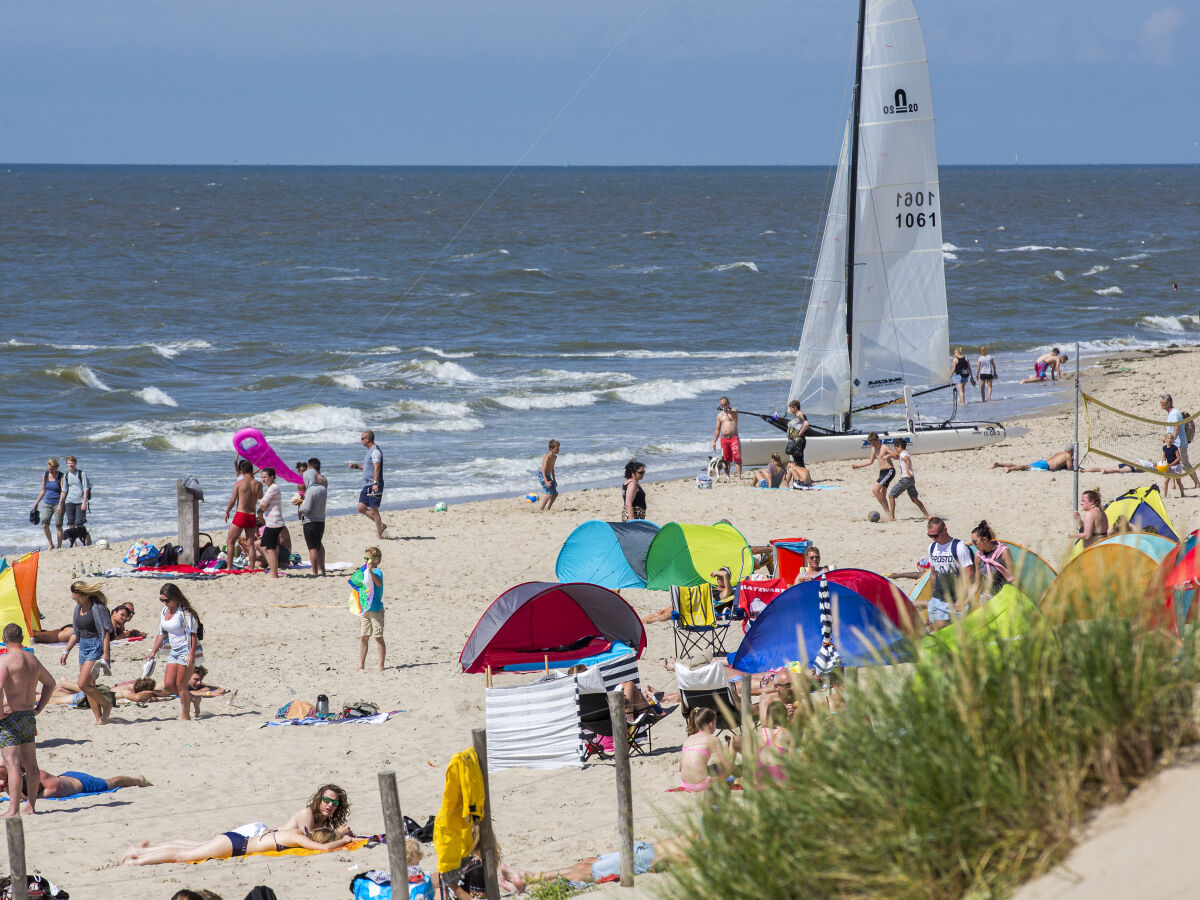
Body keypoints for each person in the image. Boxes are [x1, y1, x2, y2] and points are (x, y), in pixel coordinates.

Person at [0, 623, 55, 816]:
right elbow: (51, 683)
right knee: (31, 764)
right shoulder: (33, 660)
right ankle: (31, 806)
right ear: (22, 638)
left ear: (4, 639)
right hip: (28, 715)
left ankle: (13, 810)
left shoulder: (5, 660)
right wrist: (40, 707)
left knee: (12, 764)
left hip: (10, 716)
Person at [120, 825, 351, 865]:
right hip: (235, 846)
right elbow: (322, 848)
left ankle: (146, 848)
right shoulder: (298, 838)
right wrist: (344, 840)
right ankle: (138, 859)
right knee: (183, 856)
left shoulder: (295, 832)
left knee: (193, 847)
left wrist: (338, 833)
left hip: (235, 839)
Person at [145, 583, 203, 721]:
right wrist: (153, 651)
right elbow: (161, 633)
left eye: (167, 600)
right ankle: (193, 698)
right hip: (174, 650)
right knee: (169, 683)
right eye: (162, 600)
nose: (164, 603)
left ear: (176, 598)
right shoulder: (165, 612)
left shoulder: (185, 613)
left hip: (186, 649)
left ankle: (185, 715)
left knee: (181, 684)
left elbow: (193, 635)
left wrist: (191, 654)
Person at [58, 581, 113, 725]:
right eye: (73, 599)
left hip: (96, 645)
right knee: (90, 685)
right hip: (83, 646)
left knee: (82, 684)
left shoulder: (99, 608)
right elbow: (76, 632)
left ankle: (107, 705)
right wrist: (66, 651)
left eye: (77, 598)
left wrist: (105, 653)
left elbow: (106, 631)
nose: (75, 601)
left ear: (85, 595)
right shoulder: (78, 608)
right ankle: (98, 718)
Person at [921, 517, 976, 631]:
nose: (933, 539)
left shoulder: (959, 547)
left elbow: (969, 574)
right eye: (930, 536)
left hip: (956, 599)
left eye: (935, 535)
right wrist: (932, 596)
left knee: (957, 631)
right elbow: (933, 574)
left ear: (945, 530)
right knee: (935, 630)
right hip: (938, 598)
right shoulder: (932, 547)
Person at [676, 708, 732, 791]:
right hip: (701, 784)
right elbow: (727, 765)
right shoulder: (713, 739)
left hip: (684, 784)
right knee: (726, 769)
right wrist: (731, 748)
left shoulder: (688, 739)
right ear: (711, 724)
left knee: (714, 766)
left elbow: (680, 768)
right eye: (715, 722)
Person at [349, 429, 387, 538]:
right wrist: (355, 466)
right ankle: (381, 525)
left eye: (362, 438)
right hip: (367, 485)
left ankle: (379, 534)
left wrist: (375, 483)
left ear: (367, 439)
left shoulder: (375, 451)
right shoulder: (370, 451)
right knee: (361, 507)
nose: (360, 440)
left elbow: (376, 468)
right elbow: (367, 467)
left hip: (374, 484)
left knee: (374, 509)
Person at [224, 460, 261, 570]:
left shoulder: (239, 484)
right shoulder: (258, 484)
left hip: (241, 514)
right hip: (252, 515)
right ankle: (252, 567)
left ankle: (229, 568)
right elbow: (260, 497)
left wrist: (227, 511)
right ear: (251, 469)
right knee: (250, 544)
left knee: (230, 541)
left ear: (241, 470)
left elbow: (232, 501)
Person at [1161, 394, 1199, 497]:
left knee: (1184, 464)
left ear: (1168, 403)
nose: (1161, 405)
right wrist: (1167, 439)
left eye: (1162, 403)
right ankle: (1173, 485)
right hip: (1174, 442)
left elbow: (1176, 429)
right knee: (1171, 463)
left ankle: (1197, 483)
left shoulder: (1174, 414)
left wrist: (1171, 441)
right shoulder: (1171, 413)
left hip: (1179, 443)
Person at [851, 432, 897, 516]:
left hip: (889, 471)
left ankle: (887, 512)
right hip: (882, 472)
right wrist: (858, 466)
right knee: (882, 495)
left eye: (874, 443)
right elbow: (870, 461)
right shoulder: (873, 449)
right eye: (871, 443)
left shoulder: (885, 448)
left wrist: (888, 455)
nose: (874, 445)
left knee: (875, 490)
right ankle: (889, 514)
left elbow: (896, 456)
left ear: (878, 439)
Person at [280, 784, 351, 837]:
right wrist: (338, 834)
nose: (330, 804)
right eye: (326, 800)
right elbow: (308, 839)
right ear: (319, 799)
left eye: (335, 802)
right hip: (273, 836)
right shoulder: (307, 813)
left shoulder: (324, 820)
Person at [885, 438, 930, 522]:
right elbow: (899, 457)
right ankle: (927, 515)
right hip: (911, 480)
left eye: (896, 448)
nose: (896, 450)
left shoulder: (903, 454)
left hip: (905, 479)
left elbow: (906, 459)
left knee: (891, 495)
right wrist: (889, 455)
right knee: (914, 499)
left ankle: (892, 517)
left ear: (900, 447)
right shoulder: (906, 452)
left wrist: (908, 470)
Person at [970, 520, 1014, 603]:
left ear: (985, 540)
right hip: (987, 596)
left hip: (1005, 594)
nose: (973, 544)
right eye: (972, 542)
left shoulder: (1003, 552)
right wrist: (964, 601)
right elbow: (976, 584)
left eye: (975, 542)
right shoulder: (978, 557)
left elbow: (1013, 578)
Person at [356, 547, 385, 671]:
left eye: (369, 558)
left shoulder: (377, 572)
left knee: (378, 637)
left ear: (376, 560)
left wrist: (371, 572)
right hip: (366, 609)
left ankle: (381, 664)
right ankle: (361, 664)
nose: (366, 561)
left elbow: (378, 583)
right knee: (364, 637)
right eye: (365, 558)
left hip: (376, 610)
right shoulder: (364, 571)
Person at [297, 459, 328, 576]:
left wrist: (300, 506)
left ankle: (315, 572)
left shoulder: (310, 490)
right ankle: (323, 570)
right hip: (321, 520)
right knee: (318, 544)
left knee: (312, 547)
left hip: (310, 521)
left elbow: (307, 508)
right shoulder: (323, 489)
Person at [58, 455, 92, 547]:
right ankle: (74, 545)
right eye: (69, 463)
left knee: (79, 523)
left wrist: (84, 502)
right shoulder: (66, 476)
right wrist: (60, 504)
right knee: (71, 523)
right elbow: (64, 490)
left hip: (80, 501)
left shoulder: (81, 474)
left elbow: (86, 488)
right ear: (67, 464)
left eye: (72, 463)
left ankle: (87, 537)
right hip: (69, 501)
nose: (71, 465)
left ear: (75, 463)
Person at [257, 468, 285, 578]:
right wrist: (264, 506)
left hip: (275, 521)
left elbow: (262, 504)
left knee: (270, 548)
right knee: (264, 546)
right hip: (271, 522)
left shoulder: (273, 488)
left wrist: (263, 506)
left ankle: (274, 573)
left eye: (265, 477)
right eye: (262, 477)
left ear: (272, 477)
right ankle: (273, 569)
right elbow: (263, 505)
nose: (263, 479)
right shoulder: (272, 488)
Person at [33, 458, 65, 550]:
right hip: (48, 503)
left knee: (58, 525)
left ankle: (59, 546)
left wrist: (60, 504)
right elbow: (43, 490)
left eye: (52, 469)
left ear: (56, 468)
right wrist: (36, 502)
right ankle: (51, 544)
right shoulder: (46, 475)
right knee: (44, 524)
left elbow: (63, 491)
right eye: (49, 468)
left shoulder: (61, 476)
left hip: (58, 503)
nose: (50, 470)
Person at [712, 396, 742, 481]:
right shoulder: (719, 415)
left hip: (733, 438)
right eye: (722, 405)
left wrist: (729, 411)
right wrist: (714, 441)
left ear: (729, 403)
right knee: (726, 459)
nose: (723, 406)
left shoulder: (734, 412)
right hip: (724, 439)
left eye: (725, 404)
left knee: (737, 457)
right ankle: (727, 476)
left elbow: (734, 413)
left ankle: (739, 477)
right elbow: (717, 429)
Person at [785, 400, 812, 485]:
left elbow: (806, 424)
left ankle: (805, 478)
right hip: (794, 441)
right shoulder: (797, 416)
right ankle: (803, 477)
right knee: (797, 460)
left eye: (791, 408)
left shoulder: (801, 415)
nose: (790, 410)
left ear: (795, 407)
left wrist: (800, 433)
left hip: (798, 441)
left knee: (799, 461)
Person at [990, 446, 1075, 473]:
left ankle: (998, 464)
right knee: (1025, 467)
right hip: (1045, 465)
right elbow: (1070, 469)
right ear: (1070, 451)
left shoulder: (1060, 453)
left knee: (1023, 466)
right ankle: (1009, 469)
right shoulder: (1067, 455)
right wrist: (1072, 460)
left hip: (1043, 462)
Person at [538, 440, 560, 511]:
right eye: (557, 448)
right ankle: (541, 509)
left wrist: (554, 479)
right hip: (542, 475)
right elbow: (543, 470)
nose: (558, 450)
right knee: (549, 493)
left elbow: (552, 469)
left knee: (555, 494)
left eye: (558, 448)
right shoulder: (547, 457)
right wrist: (546, 481)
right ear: (551, 448)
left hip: (548, 475)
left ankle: (548, 509)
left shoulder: (555, 457)